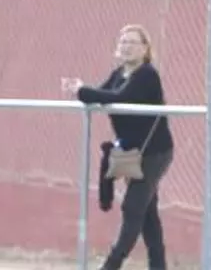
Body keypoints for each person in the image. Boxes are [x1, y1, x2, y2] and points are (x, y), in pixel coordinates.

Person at [64, 24, 174, 270]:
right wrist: (80, 90)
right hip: (133, 152)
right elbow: (101, 94)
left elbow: (119, 98)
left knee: (133, 206)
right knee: (147, 214)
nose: (126, 46)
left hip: (154, 153)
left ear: (145, 49)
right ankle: (159, 266)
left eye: (133, 42)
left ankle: (111, 265)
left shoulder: (146, 75)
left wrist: (82, 91)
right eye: (123, 42)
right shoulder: (119, 73)